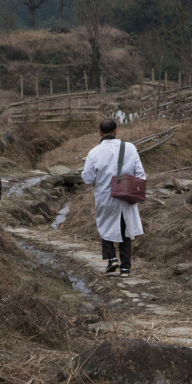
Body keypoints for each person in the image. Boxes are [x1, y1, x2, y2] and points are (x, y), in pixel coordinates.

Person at [81, 119, 146, 278]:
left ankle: (111, 259)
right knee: (125, 230)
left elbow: (88, 179)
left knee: (105, 227)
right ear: (116, 131)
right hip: (125, 195)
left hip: (105, 196)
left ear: (99, 132)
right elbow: (140, 175)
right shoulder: (130, 148)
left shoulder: (94, 152)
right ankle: (125, 268)